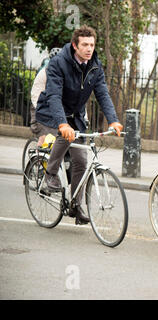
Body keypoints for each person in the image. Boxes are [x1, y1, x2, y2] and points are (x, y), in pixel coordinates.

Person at [35, 25, 123, 225]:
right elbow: (54, 96)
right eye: (84, 44)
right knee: (65, 136)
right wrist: (62, 124)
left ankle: (75, 206)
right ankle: (49, 174)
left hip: (76, 115)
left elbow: (102, 93)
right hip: (53, 110)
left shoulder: (94, 65)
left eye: (92, 44)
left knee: (81, 161)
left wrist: (113, 119)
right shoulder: (58, 63)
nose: (89, 48)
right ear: (75, 45)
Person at [30, 48, 62, 145]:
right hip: (40, 109)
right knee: (44, 137)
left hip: (57, 110)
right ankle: (38, 157)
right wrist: (43, 110)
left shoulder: (65, 74)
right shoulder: (43, 73)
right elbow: (35, 95)